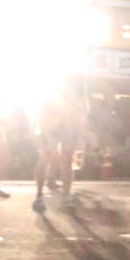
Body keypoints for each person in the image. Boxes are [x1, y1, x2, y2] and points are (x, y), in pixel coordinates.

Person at [32, 79, 88, 214]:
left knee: (67, 160)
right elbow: (40, 118)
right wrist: (40, 134)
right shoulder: (52, 99)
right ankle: (39, 195)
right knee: (46, 158)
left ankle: (65, 195)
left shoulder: (79, 101)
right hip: (51, 131)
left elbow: (81, 120)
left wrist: (79, 136)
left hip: (67, 131)